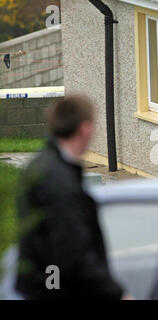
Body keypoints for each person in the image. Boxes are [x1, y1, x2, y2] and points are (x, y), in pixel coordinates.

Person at [15, 95, 125, 299]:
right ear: (85, 129)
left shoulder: (42, 166)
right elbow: (73, 253)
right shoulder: (59, 183)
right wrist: (117, 295)